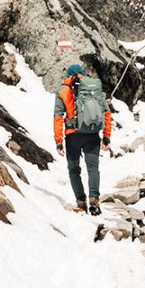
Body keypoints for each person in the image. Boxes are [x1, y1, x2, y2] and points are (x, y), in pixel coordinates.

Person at [53, 61, 112, 214]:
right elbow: (106, 113)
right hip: (92, 134)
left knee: (74, 170)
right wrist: (106, 136)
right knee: (93, 168)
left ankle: (81, 202)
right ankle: (94, 199)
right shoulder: (93, 90)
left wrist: (58, 141)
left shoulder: (63, 91)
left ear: (68, 76)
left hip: (73, 137)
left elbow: (58, 117)